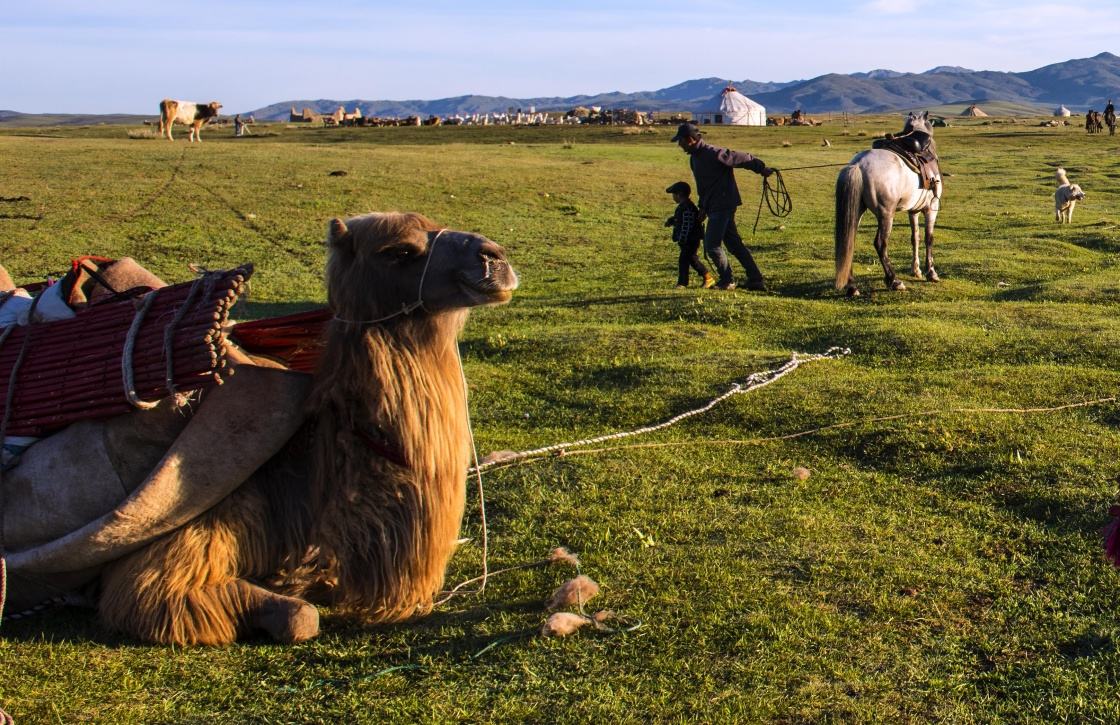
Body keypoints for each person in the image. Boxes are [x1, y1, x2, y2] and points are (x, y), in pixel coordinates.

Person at [670, 122, 774, 290]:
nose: (679, 145)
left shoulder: (713, 153)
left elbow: (743, 158)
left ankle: (727, 280)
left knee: (712, 245)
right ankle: (755, 279)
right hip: (713, 206)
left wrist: (761, 168)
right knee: (734, 245)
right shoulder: (694, 159)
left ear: (689, 140)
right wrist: (702, 207)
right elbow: (703, 187)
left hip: (723, 205)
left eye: (680, 141)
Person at [664, 181, 715, 289]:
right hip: (689, 240)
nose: (673, 197)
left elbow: (687, 225)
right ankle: (708, 278)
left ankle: (682, 283)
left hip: (690, 240)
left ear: (679, 195)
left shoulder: (687, 208)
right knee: (692, 260)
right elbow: (681, 220)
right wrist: (672, 221)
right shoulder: (685, 206)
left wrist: (682, 239)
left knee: (684, 261)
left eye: (673, 194)